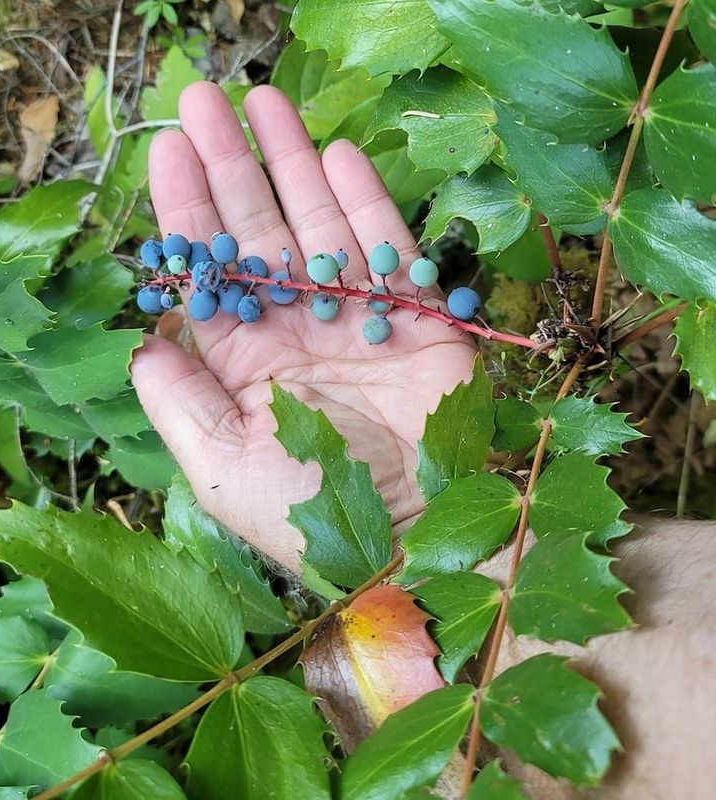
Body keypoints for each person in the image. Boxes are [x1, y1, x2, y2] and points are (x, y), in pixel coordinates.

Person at [131, 82, 714, 799]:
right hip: (411, 407)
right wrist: (436, 536)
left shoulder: (306, 288)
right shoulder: (255, 285)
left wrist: (451, 549)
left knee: (391, 294)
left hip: (397, 350)